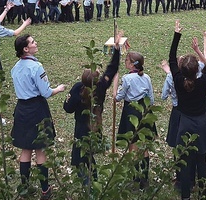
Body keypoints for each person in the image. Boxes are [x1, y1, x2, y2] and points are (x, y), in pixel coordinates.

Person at [170, 20, 206, 200]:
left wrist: (176, 35)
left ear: (182, 70)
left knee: (184, 164)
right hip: (201, 124)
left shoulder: (178, 81)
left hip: (185, 125)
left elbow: (172, 58)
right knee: (201, 162)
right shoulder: (202, 82)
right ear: (197, 70)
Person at [11, 34, 66, 200]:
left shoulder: (15, 67)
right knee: (41, 148)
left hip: (21, 108)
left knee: (25, 149)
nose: (36, 43)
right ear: (26, 49)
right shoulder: (36, 67)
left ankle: (24, 187)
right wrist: (59, 88)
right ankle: (45, 190)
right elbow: (46, 92)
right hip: (36, 109)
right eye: (33, 42)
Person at [64, 30, 122, 181]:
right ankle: (91, 181)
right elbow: (112, 68)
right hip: (95, 126)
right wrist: (116, 50)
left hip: (81, 128)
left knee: (81, 157)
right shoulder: (101, 88)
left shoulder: (78, 88)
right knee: (87, 156)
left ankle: (89, 184)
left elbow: (67, 108)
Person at [115, 43, 156, 188]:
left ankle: (135, 178)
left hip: (131, 112)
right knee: (143, 145)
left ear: (132, 64)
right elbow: (151, 99)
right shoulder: (147, 78)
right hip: (144, 112)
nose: (125, 62)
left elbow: (119, 97)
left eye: (127, 60)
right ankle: (144, 177)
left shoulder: (127, 79)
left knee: (133, 146)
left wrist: (115, 93)